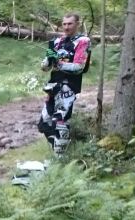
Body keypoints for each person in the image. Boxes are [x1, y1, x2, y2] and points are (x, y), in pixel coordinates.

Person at [39, 14, 91, 154]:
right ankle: (57, 152)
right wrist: (48, 59)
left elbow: (79, 67)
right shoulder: (57, 42)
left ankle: (60, 157)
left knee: (60, 122)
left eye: (70, 24)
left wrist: (58, 63)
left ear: (77, 24)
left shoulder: (83, 41)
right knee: (44, 123)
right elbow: (45, 68)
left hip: (69, 86)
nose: (66, 27)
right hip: (52, 86)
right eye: (64, 24)